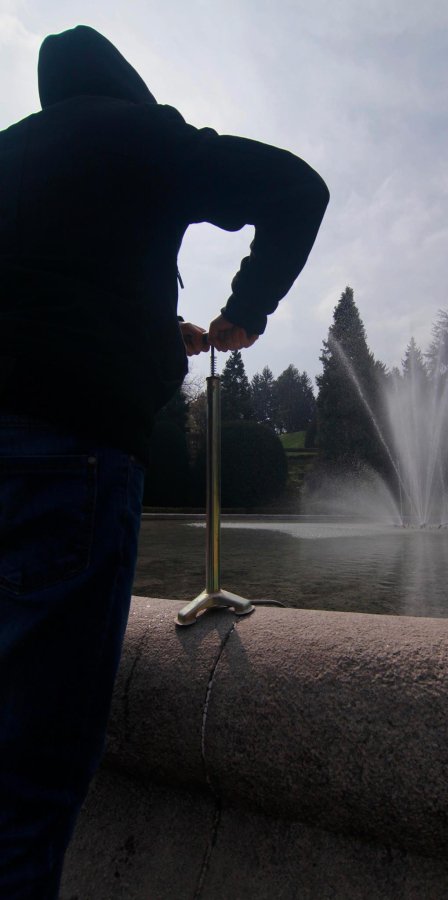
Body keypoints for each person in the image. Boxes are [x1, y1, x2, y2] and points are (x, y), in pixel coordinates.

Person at [0, 24, 329, 898]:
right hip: (67, 467)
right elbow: (298, 189)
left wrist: (156, 336)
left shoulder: (13, 154)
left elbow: (48, 303)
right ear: (124, 87)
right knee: (30, 773)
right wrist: (246, 311)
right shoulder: (138, 134)